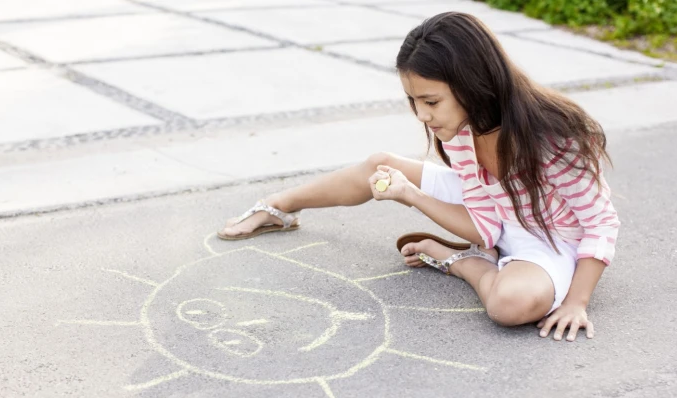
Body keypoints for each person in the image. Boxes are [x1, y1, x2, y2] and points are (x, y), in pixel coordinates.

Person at [218, 12, 620, 343]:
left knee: (510, 305)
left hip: (550, 240)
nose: (422, 116)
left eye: (431, 101)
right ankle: (279, 207)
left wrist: (576, 301)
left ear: (474, 85)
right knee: (381, 163)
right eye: (413, 101)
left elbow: (601, 223)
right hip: (499, 217)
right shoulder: (465, 129)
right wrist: (410, 191)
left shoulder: (554, 138)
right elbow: (485, 225)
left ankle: (462, 263)